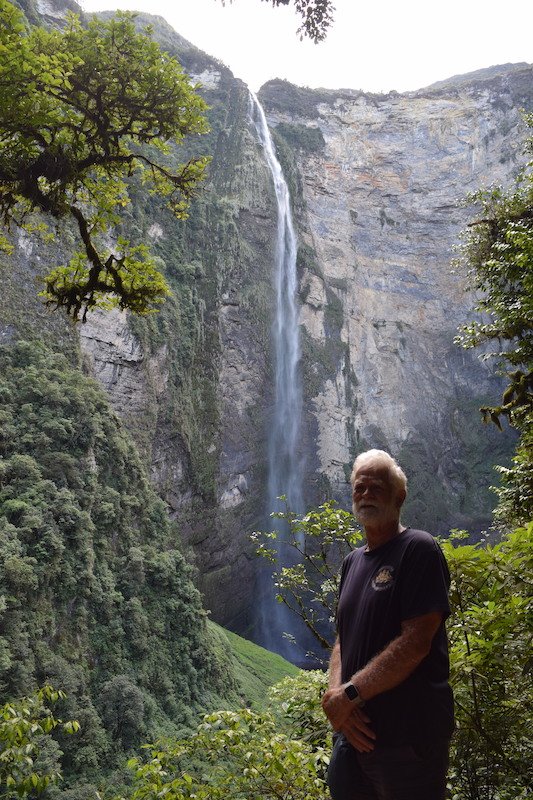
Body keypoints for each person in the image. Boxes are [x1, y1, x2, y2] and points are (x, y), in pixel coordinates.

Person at [321, 449, 454, 800]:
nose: (365, 495)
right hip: (353, 737)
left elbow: (416, 641)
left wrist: (350, 694)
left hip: (408, 740)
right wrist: (338, 699)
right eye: (359, 488)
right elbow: (342, 640)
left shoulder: (418, 550)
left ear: (399, 496)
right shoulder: (351, 562)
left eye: (376, 487)